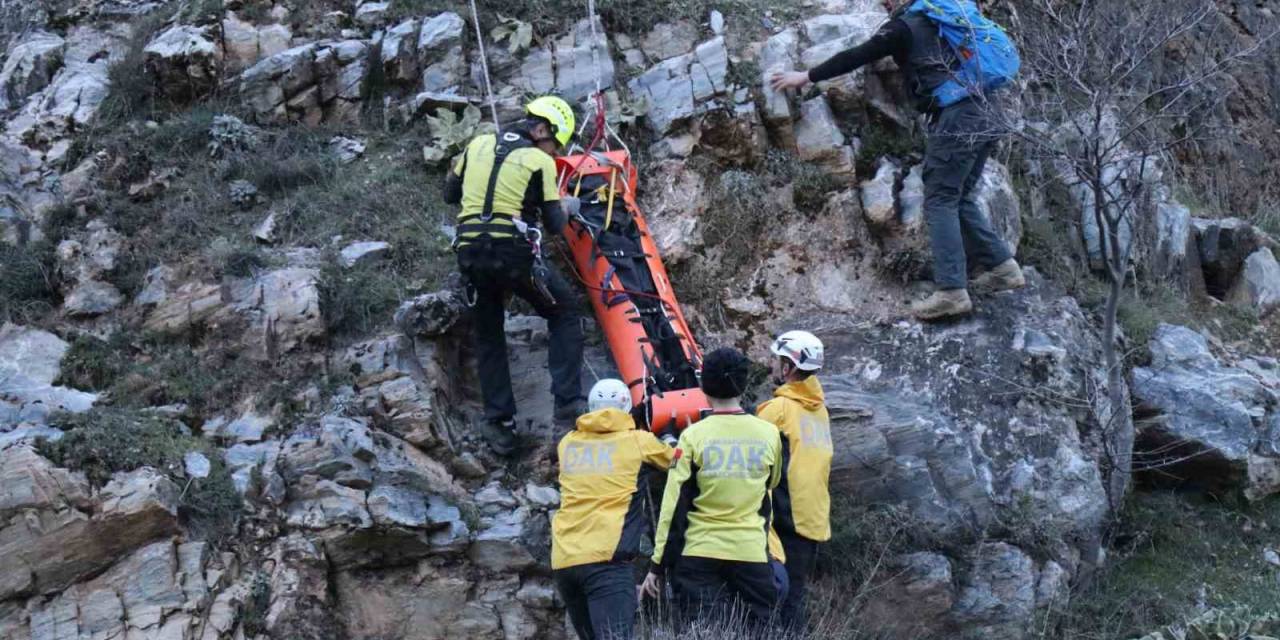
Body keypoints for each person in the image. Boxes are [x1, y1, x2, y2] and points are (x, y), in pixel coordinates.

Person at [770, 0, 1026, 321]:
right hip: (990, 110)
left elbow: (857, 55)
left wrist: (805, 76)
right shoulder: (944, 15)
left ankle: (951, 291)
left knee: (940, 197)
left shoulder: (905, 25)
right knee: (959, 196)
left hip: (960, 115)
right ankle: (1003, 267)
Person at [444, 96, 586, 455]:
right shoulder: (539, 161)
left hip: (470, 253)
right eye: (555, 144)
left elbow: (450, 193)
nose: (555, 152)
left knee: (489, 331)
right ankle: (566, 416)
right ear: (541, 130)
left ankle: (500, 426)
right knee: (565, 312)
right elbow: (554, 224)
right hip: (513, 254)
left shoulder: (476, 144)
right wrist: (569, 206)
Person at [642, 348, 786, 631]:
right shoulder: (769, 434)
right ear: (743, 385)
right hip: (751, 553)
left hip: (699, 554)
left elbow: (672, 506)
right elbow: (773, 482)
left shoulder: (692, 437)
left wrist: (657, 566)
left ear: (703, 386)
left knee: (703, 631)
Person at [552, 378, 674, 640]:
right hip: (607, 562)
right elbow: (678, 460)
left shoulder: (567, 444)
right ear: (626, 408)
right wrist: (668, 436)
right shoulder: (638, 441)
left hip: (565, 560)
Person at [758, 331, 832, 632]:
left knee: (774, 601)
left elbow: (749, 449)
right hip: (813, 519)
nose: (774, 366)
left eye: (779, 361)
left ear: (789, 367)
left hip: (784, 519)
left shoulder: (777, 410)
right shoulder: (819, 410)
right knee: (795, 600)